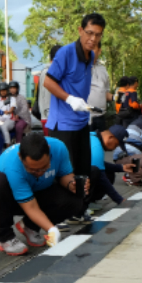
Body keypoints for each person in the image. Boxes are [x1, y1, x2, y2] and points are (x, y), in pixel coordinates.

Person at [0, 133, 86, 256]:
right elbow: (30, 207)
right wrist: (52, 230)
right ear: (20, 157)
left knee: (74, 199)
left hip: (35, 193)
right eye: (33, 170)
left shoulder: (59, 148)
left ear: (49, 151)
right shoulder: (13, 163)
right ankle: (5, 237)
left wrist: (72, 184)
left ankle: (30, 226)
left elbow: (65, 174)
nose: (39, 173)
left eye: (44, 167)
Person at [44, 13, 106, 178]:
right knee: (66, 177)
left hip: (81, 122)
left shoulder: (91, 55)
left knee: (83, 174)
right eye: (89, 32)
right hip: (63, 126)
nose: (93, 38)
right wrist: (69, 99)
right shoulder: (65, 53)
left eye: (97, 34)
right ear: (80, 30)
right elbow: (48, 82)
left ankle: (82, 204)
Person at [89, 124, 134, 205]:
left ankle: (89, 200)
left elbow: (97, 164)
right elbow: (101, 177)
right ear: (110, 138)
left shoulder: (92, 135)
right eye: (116, 144)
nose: (115, 148)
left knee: (109, 172)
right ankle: (85, 203)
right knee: (98, 174)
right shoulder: (96, 147)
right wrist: (120, 200)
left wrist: (121, 167)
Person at [34, 45, 63, 135]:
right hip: (51, 118)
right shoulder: (51, 72)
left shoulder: (47, 71)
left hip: (48, 117)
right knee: (54, 145)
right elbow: (49, 97)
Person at [87, 41, 112, 132]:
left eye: (93, 48)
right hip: (85, 117)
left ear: (99, 51)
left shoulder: (103, 69)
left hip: (100, 117)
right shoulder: (78, 67)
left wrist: (116, 97)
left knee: (101, 144)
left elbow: (105, 93)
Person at [0, 82, 18, 148]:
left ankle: (7, 147)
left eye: (4, 90)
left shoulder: (12, 99)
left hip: (9, 120)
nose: (2, 92)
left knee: (4, 127)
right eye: (1, 91)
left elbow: (13, 107)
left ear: (7, 90)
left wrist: (9, 111)